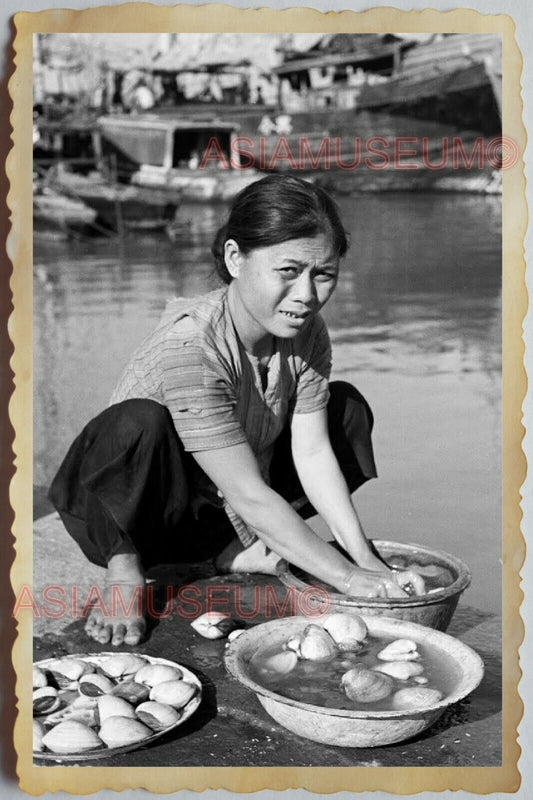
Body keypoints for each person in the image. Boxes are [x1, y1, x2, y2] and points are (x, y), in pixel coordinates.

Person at [49, 174, 424, 648]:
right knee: (139, 422)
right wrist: (348, 582)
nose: (307, 294)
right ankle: (125, 569)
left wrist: (363, 559)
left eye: (323, 274)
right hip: (141, 511)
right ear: (234, 258)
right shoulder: (192, 345)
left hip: (219, 502)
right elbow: (247, 492)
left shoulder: (305, 330)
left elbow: (311, 454)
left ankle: (228, 550)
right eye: (287, 271)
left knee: (345, 410)